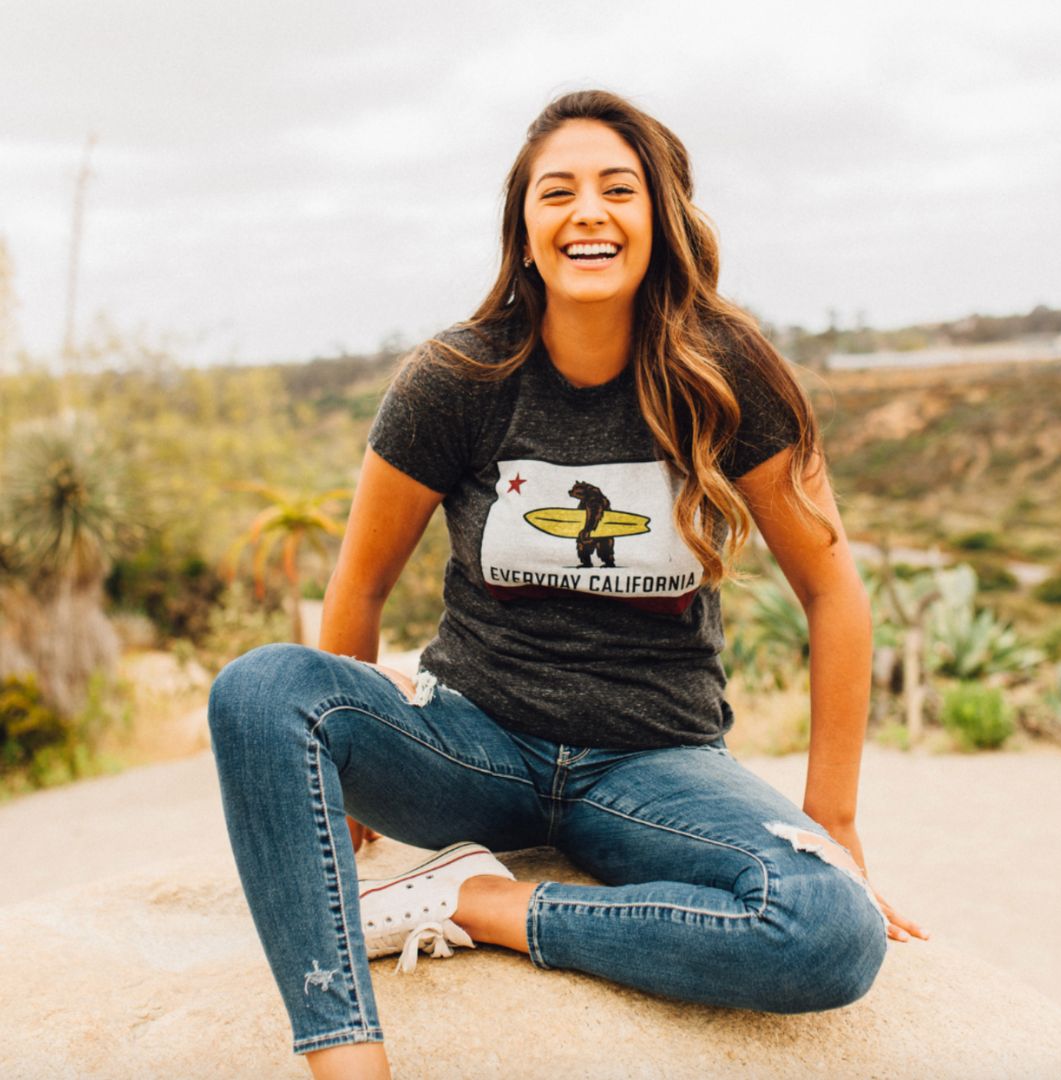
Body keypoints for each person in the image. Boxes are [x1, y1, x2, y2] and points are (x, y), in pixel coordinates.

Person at [208, 89, 928, 1080]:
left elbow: (833, 591)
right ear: (526, 225)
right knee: (256, 688)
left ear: (659, 216)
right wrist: (342, 790)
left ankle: (483, 902)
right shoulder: (458, 378)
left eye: (617, 189)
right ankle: (346, 1057)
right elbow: (363, 586)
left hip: (653, 767)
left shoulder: (727, 374)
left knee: (832, 928)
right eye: (559, 191)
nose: (588, 210)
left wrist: (832, 825)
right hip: (471, 749)